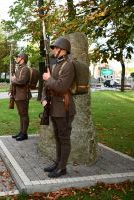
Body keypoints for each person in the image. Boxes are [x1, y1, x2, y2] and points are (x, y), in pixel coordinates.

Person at [41, 37, 76, 178]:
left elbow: (61, 87)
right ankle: (58, 163)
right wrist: (44, 98)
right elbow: (47, 86)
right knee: (57, 137)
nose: (54, 50)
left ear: (63, 50)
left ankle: (62, 168)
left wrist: (48, 79)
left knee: (64, 138)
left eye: (56, 48)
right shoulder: (56, 65)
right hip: (54, 108)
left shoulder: (68, 65)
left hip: (64, 109)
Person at [10, 53, 32, 141]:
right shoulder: (19, 68)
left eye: (18, 57)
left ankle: (24, 133)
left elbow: (22, 81)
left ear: (22, 59)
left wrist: (13, 80)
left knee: (24, 115)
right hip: (18, 95)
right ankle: (21, 132)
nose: (17, 58)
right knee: (21, 114)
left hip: (23, 95)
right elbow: (17, 80)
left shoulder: (25, 69)